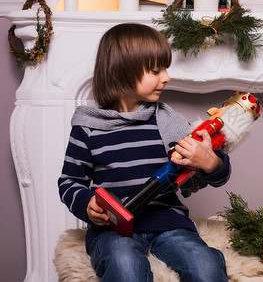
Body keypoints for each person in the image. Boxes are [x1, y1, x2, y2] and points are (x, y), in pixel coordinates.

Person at [57, 23, 231, 282]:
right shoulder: (88, 128)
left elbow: (209, 176)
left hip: (168, 223)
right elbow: (69, 182)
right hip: (113, 230)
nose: (166, 78)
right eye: (155, 71)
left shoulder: (167, 122)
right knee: (125, 269)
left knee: (205, 266)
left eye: (165, 69)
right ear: (120, 73)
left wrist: (211, 162)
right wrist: (86, 204)